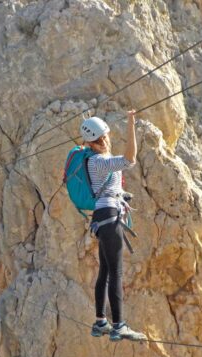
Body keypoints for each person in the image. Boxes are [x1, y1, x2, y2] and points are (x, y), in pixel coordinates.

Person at [82, 111, 145, 342]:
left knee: (105, 271)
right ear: (97, 140)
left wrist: (121, 194)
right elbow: (129, 159)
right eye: (103, 138)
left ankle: (101, 322)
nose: (105, 141)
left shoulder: (90, 159)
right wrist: (130, 123)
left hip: (101, 217)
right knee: (116, 272)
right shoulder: (100, 161)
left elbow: (107, 187)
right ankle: (119, 326)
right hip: (110, 218)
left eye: (104, 137)